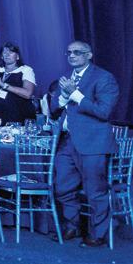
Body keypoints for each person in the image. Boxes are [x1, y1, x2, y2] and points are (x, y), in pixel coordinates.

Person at [50, 41, 119, 247]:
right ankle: (72, 226)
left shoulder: (104, 78)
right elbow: (54, 109)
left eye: (77, 52)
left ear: (89, 55)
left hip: (93, 143)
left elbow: (104, 111)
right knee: (62, 187)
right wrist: (63, 97)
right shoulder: (67, 78)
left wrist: (75, 94)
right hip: (67, 142)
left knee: (95, 191)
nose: (72, 56)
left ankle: (98, 233)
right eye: (69, 52)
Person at [0, 42, 37, 123]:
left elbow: (28, 94)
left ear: (17, 56)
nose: (7, 55)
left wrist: (4, 86)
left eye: (11, 52)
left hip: (18, 116)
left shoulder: (26, 70)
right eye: (4, 52)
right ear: (1, 56)